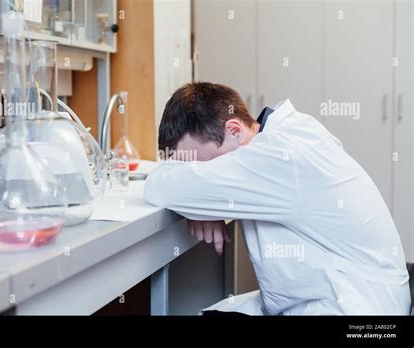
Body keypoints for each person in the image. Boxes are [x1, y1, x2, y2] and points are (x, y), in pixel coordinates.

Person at [143, 82, 411, 315]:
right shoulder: (283, 138)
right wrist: (201, 204)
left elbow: (159, 185)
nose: (203, 173)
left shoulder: (279, 155)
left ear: (234, 130)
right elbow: (183, 186)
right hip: (340, 294)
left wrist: (198, 197)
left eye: (200, 165)